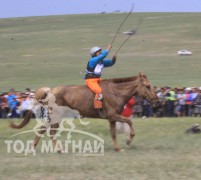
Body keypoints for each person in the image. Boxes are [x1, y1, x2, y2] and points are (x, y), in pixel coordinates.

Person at [84, 44, 116, 116]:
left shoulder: (101, 62)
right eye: (99, 52)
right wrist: (107, 49)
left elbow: (110, 63)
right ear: (94, 54)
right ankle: (99, 109)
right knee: (99, 91)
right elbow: (102, 56)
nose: (100, 53)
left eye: (100, 52)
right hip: (91, 80)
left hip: (98, 79)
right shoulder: (93, 60)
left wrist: (113, 60)